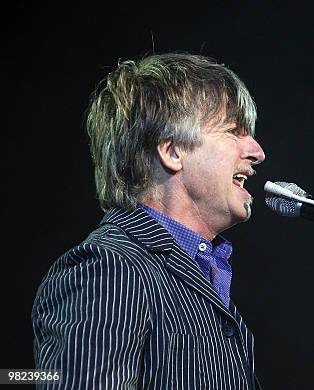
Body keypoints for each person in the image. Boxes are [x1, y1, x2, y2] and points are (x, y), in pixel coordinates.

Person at [32, 53, 266, 389]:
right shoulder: (108, 269)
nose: (257, 151)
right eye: (234, 131)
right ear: (172, 152)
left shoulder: (200, 271)